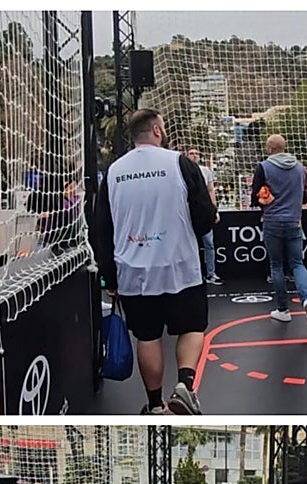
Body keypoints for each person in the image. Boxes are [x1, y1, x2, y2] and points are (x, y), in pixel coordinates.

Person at [93, 109, 216, 415]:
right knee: (191, 327)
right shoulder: (181, 163)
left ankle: (155, 404)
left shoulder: (113, 172)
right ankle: (185, 386)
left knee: (147, 337)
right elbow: (204, 218)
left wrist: (109, 278)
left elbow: (101, 229)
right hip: (180, 266)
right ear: (158, 131)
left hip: (133, 271)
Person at [251, 135, 307, 329]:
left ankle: (283, 310)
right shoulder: (300, 168)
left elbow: (255, 195)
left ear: (271, 148)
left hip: (272, 220)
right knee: (298, 263)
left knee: (277, 265)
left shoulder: (264, 167)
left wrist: (265, 199)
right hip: (294, 221)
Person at [186, 147, 222, 285]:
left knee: (209, 244)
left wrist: (214, 210)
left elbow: (211, 190)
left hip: (204, 212)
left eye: (196, 153)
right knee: (190, 245)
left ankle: (211, 274)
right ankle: (193, 275)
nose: (194, 156)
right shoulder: (183, 170)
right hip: (188, 213)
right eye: (191, 153)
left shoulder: (206, 171)